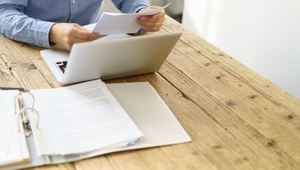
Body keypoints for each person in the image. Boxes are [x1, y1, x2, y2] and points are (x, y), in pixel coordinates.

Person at [0, 0, 165, 50]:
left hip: (93, 47)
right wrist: (51, 32)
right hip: (32, 49)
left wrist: (143, 13)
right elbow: (4, 14)